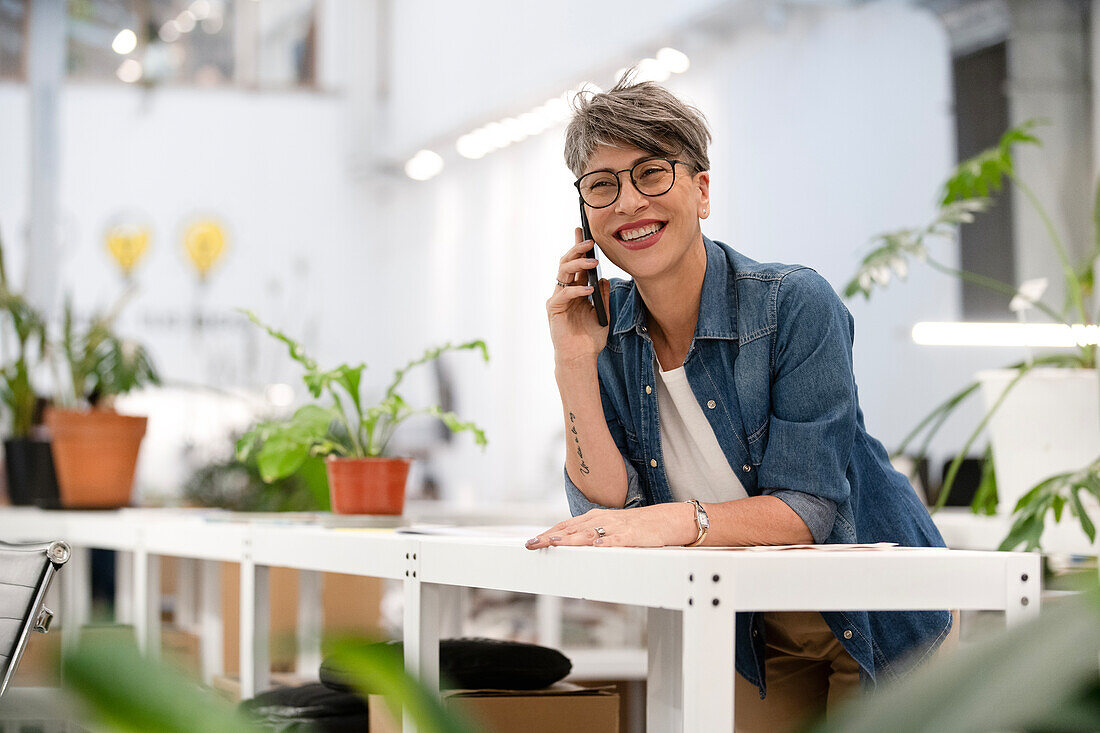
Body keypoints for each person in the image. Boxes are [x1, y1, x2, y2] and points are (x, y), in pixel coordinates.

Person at [523, 75, 953, 732]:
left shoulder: (792, 304)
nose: (628, 201)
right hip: (757, 627)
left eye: (651, 173)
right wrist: (574, 359)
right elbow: (605, 511)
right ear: (584, 215)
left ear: (701, 190)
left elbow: (809, 507)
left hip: (879, 618)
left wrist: (664, 521)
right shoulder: (606, 330)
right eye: (602, 184)